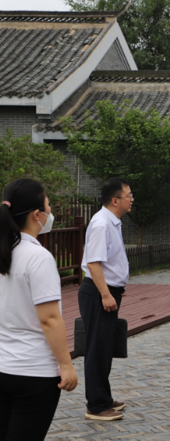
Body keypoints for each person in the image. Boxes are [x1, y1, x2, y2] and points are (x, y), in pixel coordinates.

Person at [0, 178, 78, 440]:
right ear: (36, 215)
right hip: (34, 372)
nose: (50, 211)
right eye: (48, 205)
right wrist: (66, 365)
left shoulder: (5, 251)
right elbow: (50, 319)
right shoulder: (38, 257)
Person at [78, 177, 133, 421]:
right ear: (115, 200)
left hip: (108, 291)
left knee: (105, 347)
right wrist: (106, 294)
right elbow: (93, 263)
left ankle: (104, 397)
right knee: (97, 348)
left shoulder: (112, 222)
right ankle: (96, 406)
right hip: (98, 293)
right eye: (128, 195)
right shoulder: (101, 224)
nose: (132, 199)